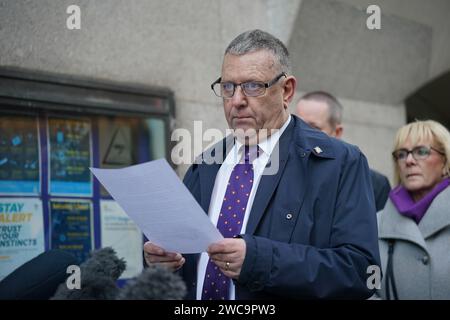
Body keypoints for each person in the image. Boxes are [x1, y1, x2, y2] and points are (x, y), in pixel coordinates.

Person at [144, 29, 380, 299]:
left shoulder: (338, 163)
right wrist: (161, 262)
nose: (237, 101)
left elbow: (362, 272)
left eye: (253, 86)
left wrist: (261, 261)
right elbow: (186, 265)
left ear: (287, 91)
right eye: (228, 87)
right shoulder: (205, 165)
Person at [377, 120, 450, 299]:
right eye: (401, 154)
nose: (409, 160)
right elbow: (365, 288)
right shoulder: (376, 223)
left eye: (422, 152)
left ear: (445, 161)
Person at [296, 91, 391, 212]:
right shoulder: (279, 171)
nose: (302, 133)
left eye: (313, 128)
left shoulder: (374, 184)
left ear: (337, 132)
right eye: (297, 125)